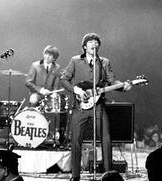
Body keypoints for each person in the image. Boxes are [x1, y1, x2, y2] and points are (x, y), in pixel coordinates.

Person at [60, 33, 132, 181]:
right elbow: (64, 79)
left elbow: (112, 81)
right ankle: (75, 175)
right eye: (91, 42)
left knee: (106, 139)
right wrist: (76, 90)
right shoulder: (75, 61)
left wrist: (123, 87)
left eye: (96, 42)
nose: (94, 44)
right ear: (85, 46)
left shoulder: (104, 62)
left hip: (98, 106)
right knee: (76, 141)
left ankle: (108, 175)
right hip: (79, 107)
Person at [25, 45, 63, 144]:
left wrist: (54, 93)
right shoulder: (35, 65)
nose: (47, 56)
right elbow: (28, 82)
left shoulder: (57, 68)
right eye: (46, 53)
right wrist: (40, 90)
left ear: (54, 58)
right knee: (33, 99)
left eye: (50, 55)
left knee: (58, 106)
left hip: (50, 95)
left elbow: (56, 84)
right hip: (37, 93)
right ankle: (32, 128)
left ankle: (53, 134)